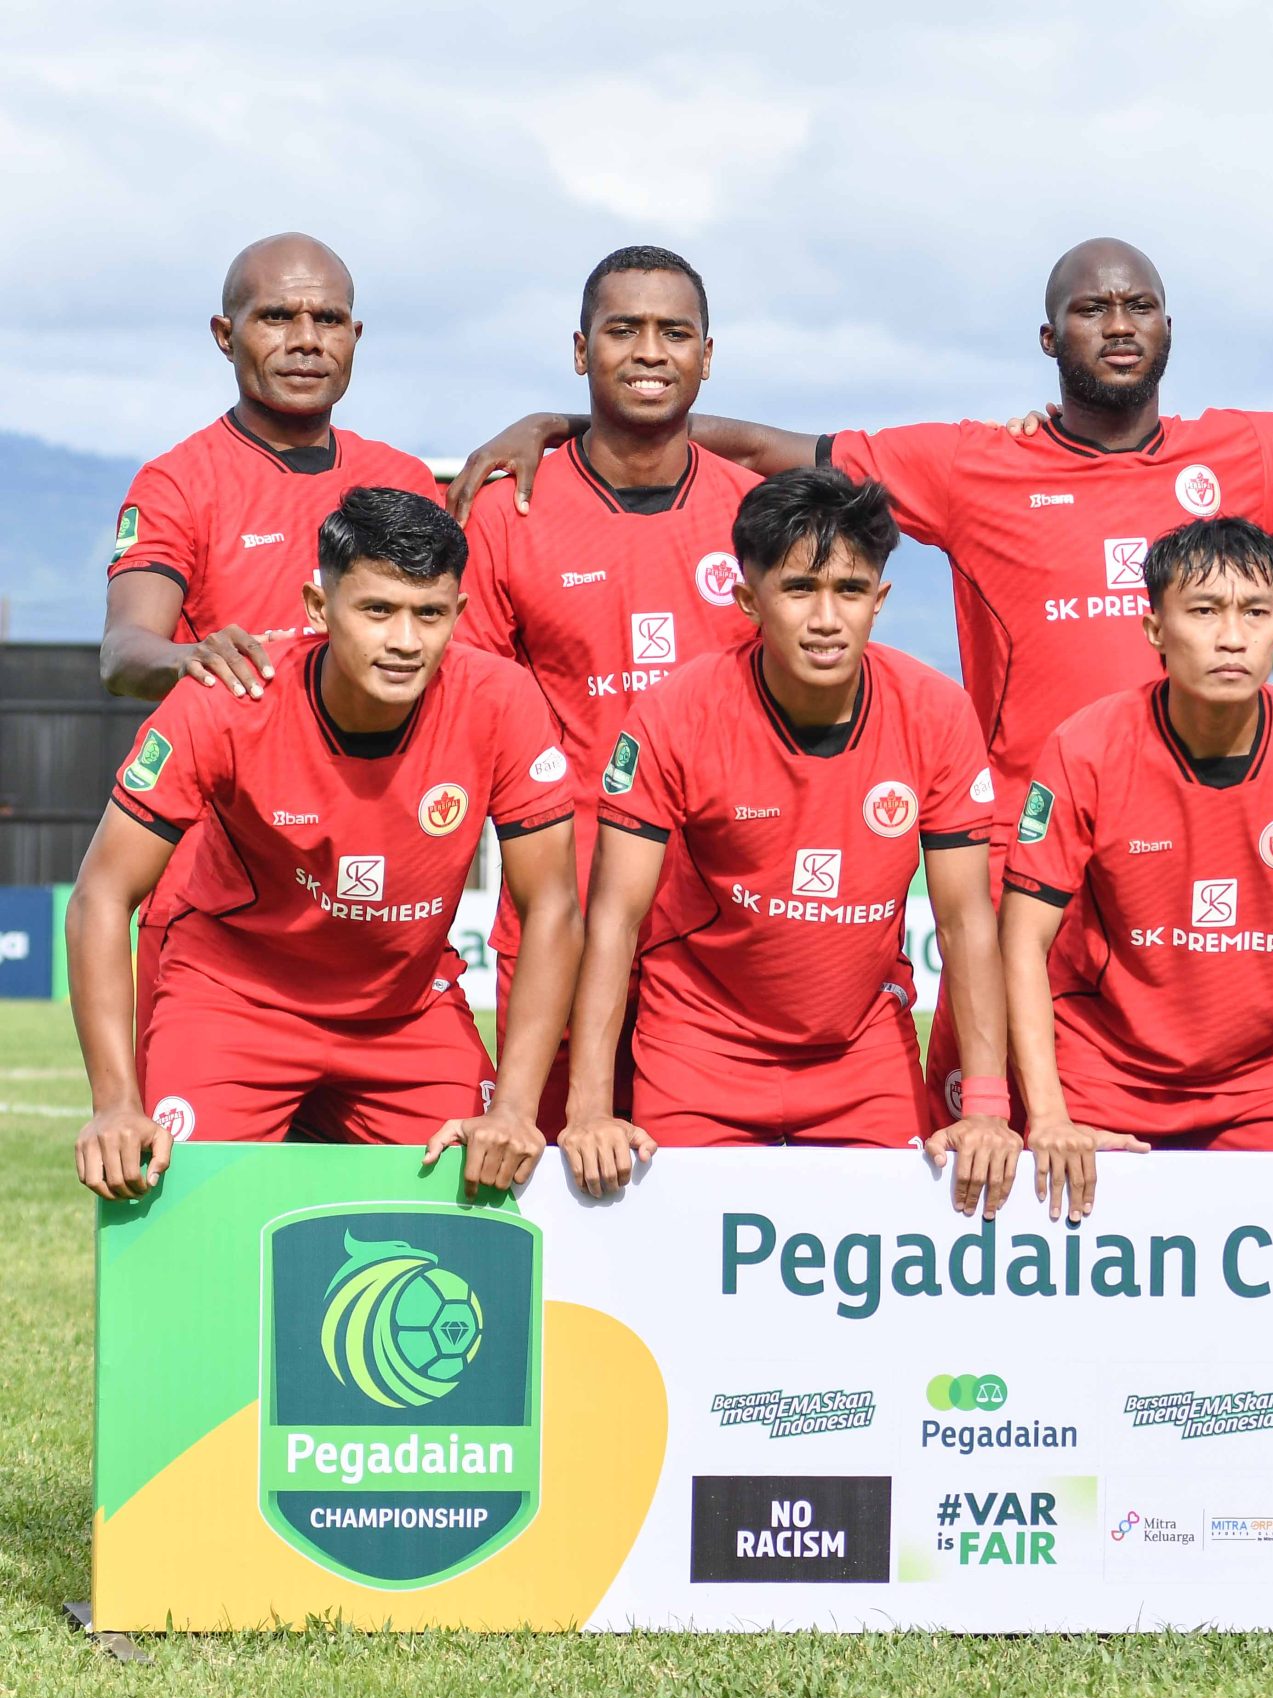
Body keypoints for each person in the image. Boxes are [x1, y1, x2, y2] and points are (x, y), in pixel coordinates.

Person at [443, 238, 1273, 1115]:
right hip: (1025, 861)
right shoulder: (971, 461)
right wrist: (569, 421)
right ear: (1049, 333)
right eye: (1091, 307)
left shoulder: (1245, 453)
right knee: (989, 1138)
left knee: (1166, 1112)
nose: (1116, 324)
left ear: (1168, 327)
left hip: (1179, 847)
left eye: (1136, 306)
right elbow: (786, 446)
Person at [68, 488, 579, 1201]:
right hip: (235, 1002)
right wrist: (115, 1104)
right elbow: (101, 893)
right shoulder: (228, 698)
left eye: (430, 613)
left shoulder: (502, 700)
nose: (406, 641)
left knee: (476, 1198)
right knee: (182, 1199)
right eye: (377, 610)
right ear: (318, 606)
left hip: (407, 1013)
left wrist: (516, 1108)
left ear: (459, 613)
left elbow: (553, 902)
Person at [563, 468, 1020, 1210]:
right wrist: (589, 1108)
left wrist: (989, 1107)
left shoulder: (936, 713)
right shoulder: (676, 712)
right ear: (749, 600)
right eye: (800, 588)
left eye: (850, 590)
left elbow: (966, 920)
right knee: (685, 1251)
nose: (827, 618)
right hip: (699, 1042)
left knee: (879, 1255)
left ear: (880, 599)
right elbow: (614, 915)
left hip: (861, 1047)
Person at [1000, 518, 1273, 1220]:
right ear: (1155, 629)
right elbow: (1022, 937)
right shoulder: (1087, 746)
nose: (1231, 636)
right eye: (1204, 611)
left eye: (1253, 612)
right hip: (1102, 1075)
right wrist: (1047, 1114)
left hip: (1259, 1089)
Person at [100, 235, 443, 1079]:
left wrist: (549, 424)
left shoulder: (403, 478)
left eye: (327, 318)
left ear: (355, 335)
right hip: (218, 885)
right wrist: (193, 658)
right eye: (277, 316)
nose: (305, 339)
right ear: (226, 335)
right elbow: (123, 651)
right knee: (191, 1153)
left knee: (416, 1155)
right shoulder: (180, 480)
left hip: (373, 879)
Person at [455, 245, 763, 1127]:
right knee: (546, 1148)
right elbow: (469, 709)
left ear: (709, 354)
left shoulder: (758, 515)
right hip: (566, 893)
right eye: (624, 329)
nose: (650, 352)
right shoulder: (506, 510)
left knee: (698, 1162)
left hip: (720, 901)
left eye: (675, 332)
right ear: (581, 350)